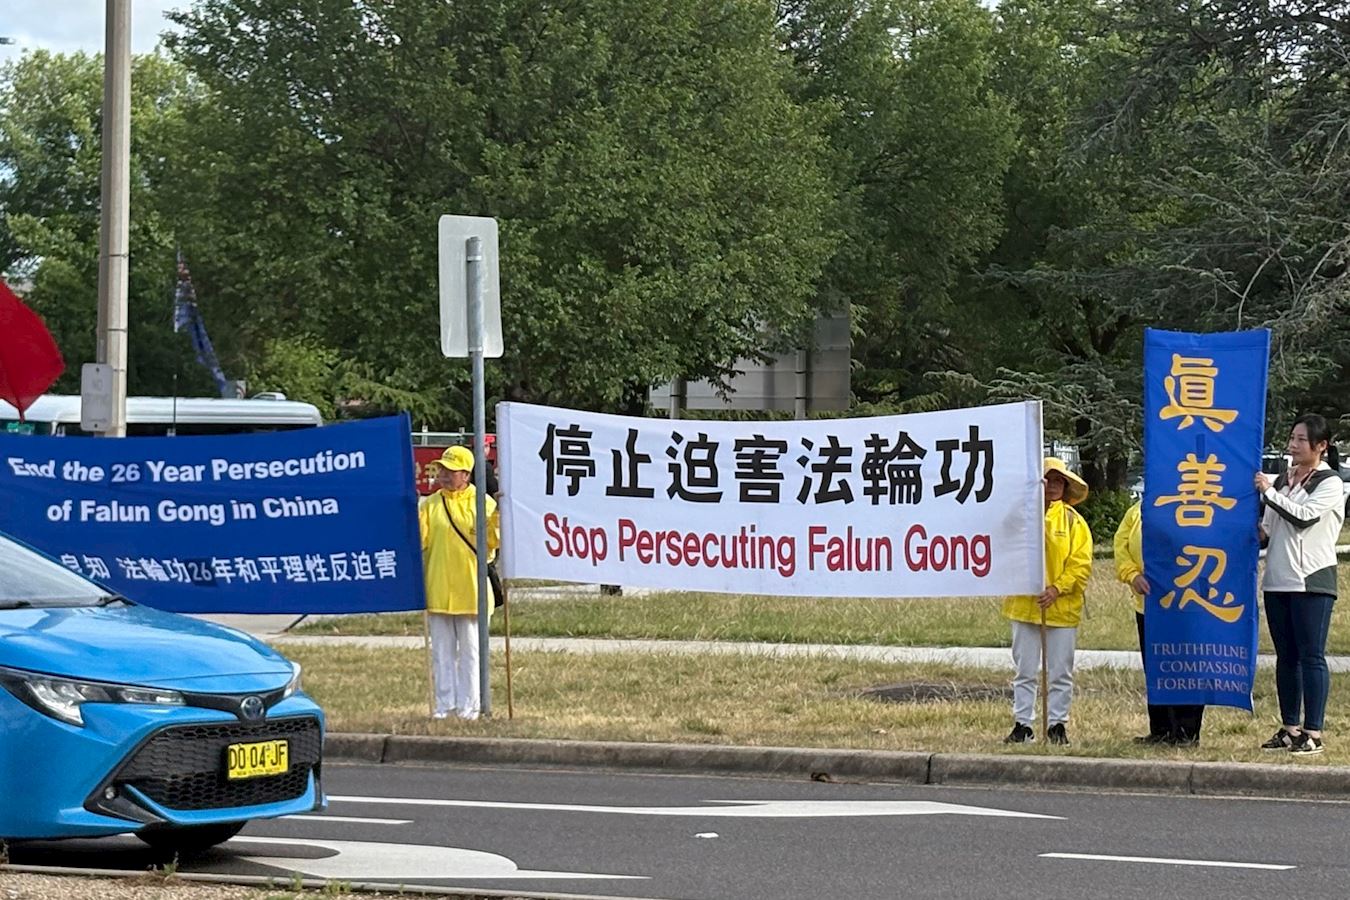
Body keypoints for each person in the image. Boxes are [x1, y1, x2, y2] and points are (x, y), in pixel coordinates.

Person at [1254, 414, 1344, 755]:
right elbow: (1268, 530)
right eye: (1292, 438)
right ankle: (1290, 728)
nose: (1293, 445)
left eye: (1301, 440)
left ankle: (1314, 732)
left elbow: (1303, 518)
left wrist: (1267, 491)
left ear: (1321, 446)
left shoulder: (1329, 482)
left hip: (1311, 580)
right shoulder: (1283, 480)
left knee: (1311, 656)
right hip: (1277, 579)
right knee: (1286, 657)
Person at [1002, 458, 1094, 746]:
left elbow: (1080, 564)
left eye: (1057, 481)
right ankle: (1023, 725)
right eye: (1047, 481)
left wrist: (1057, 588)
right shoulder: (1021, 515)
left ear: (1065, 486)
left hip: (1061, 608)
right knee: (1025, 670)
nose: (1052, 486)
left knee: (1060, 672)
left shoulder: (1074, 521)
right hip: (1025, 605)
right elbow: (1007, 536)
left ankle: (1056, 725)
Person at [1113, 500, 1205, 746]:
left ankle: (1187, 731)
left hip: (1186, 604)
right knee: (1156, 667)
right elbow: (1121, 545)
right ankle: (1161, 729)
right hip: (1149, 606)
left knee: (1187, 667)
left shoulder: (1193, 503)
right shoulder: (1136, 511)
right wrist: (1132, 575)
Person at [419, 445, 500, 721]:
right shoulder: (430, 504)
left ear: (466, 474)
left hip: (472, 590)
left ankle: (470, 707)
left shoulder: (484, 504)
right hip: (439, 588)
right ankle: (445, 706)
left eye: (450, 470)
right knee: (442, 652)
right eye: (442, 469)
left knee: (471, 652)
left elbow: (493, 542)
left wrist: (499, 515)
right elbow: (420, 540)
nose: (443, 474)